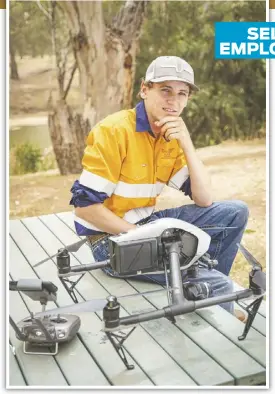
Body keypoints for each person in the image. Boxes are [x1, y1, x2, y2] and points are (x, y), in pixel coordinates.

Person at [69, 56, 249, 319]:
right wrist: (144, 238)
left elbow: (204, 199)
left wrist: (187, 143)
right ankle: (213, 297)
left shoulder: (170, 136)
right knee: (219, 284)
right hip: (109, 242)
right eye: (165, 90)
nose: (173, 101)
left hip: (147, 223)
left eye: (182, 93)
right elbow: (85, 210)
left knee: (236, 212)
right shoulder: (114, 131)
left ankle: (205, 293)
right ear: (144, 89)